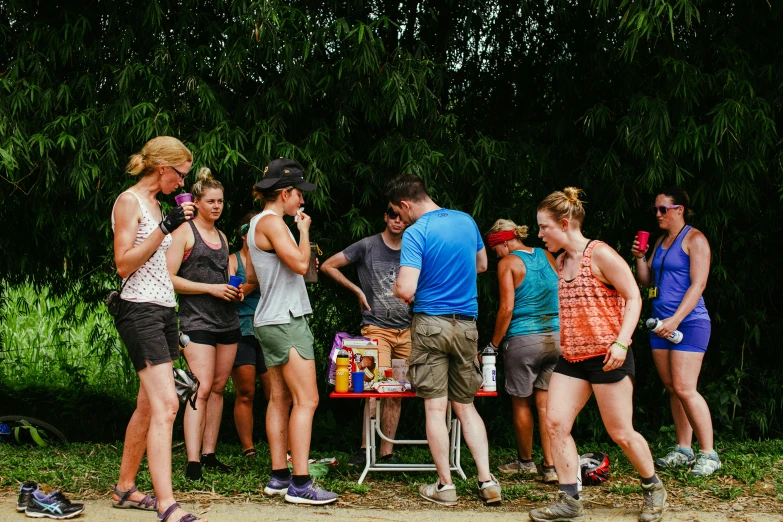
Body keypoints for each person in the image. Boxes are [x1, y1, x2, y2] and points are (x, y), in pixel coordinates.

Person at [529, 188, 666, 522]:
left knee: (621, 432)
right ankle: (569, 499)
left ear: (564, 223)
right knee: (555, 423)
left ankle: (653, 488)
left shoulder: (600, 254)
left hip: (609, 356)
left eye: (544, 227)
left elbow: (634, 297)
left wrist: (621, 343)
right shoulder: (561, 260)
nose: (540, 234)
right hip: (573, 358)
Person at [387, 174, 501, 507]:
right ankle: (486, 480)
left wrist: (400, 289)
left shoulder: (416, 232)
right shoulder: (466, 221)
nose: (401, 218)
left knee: (435, 408)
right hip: (466, 324)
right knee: (466, 406)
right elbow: (482, 264)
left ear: (406, 204)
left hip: (431, 325)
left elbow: (406, 289)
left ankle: (446, 486)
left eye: (399, 211)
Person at [110, 136, 205, 522]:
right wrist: (162, 230)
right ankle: (167, 504)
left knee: (149, 405)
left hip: (165, 309)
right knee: (167, 404)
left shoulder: (156, 205)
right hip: (139, 309)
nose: (181, 184)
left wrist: (172, 228)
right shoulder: (129, 201)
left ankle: (125, 488)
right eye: (180, 175)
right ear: (163, 167)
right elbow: (123, 264)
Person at [244, 158, 338, 505]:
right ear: (285, 193)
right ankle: (300, 483)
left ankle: (279, 477)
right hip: (286, 319)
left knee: (280, 398)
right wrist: (303, 231)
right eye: (299, 194)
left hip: (268, 318)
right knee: (307, 399)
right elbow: (299, 264)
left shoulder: (255, 223)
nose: (302, 200)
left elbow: (258, 275)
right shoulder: (274, 223)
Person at [632, 187, 720, 476]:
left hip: (690, 322)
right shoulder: (661, 241)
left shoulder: (695, 239)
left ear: (680, 209)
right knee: (673, 388)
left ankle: (709, 454)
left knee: (685, 387)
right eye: (655, 209)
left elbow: (698, 285)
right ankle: (684, 448)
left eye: (663, 209)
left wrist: (676, 319)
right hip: (659, 323)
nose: (657, 214)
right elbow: (647, 282)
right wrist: (641, 257)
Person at [320, 206, 412, 466]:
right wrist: (357, 291)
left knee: (397, 391)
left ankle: (387, 453)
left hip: (406, 330)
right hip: (376, 328)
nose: (397, 219)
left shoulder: (413, 247)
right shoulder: (368, 245)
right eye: (392, 214)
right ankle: (364, 449)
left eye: (402, 217)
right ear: (385, 216)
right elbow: (328, 265)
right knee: (374, 387)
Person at [166, 168, 241, 482]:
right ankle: (192, 460)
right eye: (210, 201)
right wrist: (210, 289)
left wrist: (230, 290)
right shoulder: (184, 232)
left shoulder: (223, 237)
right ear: (195, 202)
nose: (216, 206)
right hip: (196, 321)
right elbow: (169, 279)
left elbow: (220, 278)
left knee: (220, 388)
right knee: (201, 387)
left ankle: (210, 454)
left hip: (227, 319)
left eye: (220, 201)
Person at [486, 219, 560, 483]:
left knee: (521, 402)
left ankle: (526, 462)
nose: (496, 255)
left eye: (495, 249)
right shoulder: (547, 254)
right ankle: (551, 466)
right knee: (546, 404)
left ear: (504, 242)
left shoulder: (508, 263)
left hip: (524, 340)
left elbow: (506, 309)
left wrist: (493, 345)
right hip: (556, 337)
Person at [229, 213, 272, 458]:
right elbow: (233, 293)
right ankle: (248, 448)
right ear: (244, 234)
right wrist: (256, 281)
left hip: (269, 329)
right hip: (242, 329)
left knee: (275, 393)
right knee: (246, 392)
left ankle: (282, 444)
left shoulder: (273, 257)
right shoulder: (232, 260)